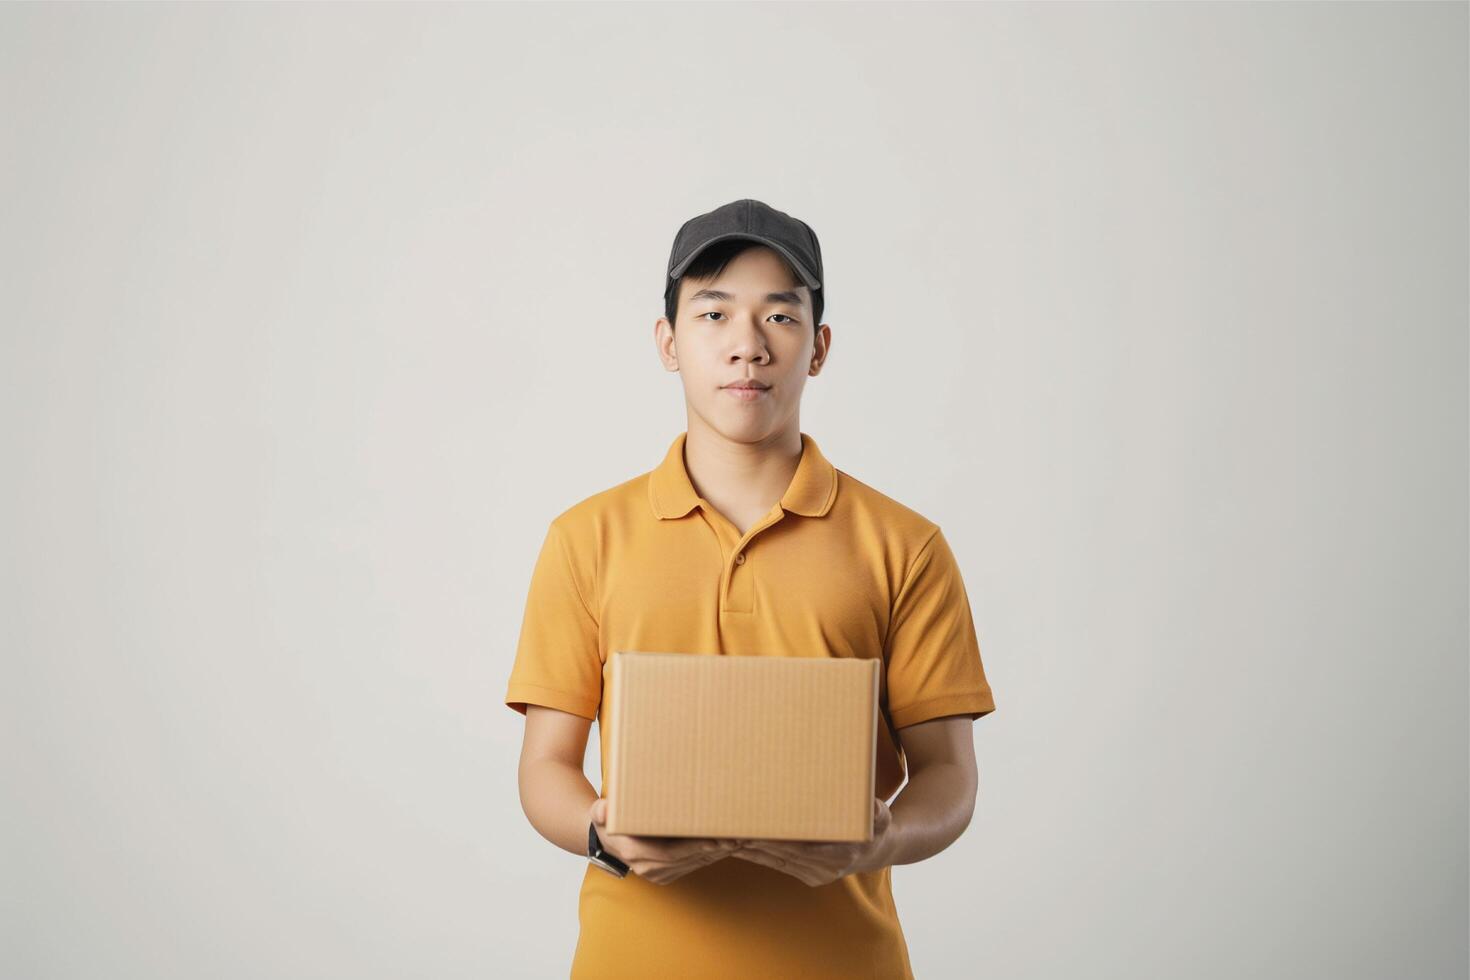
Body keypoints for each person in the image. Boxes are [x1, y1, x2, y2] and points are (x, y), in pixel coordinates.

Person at [505, 198, 997, 978]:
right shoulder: (586, 539)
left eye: (779, 317)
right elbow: (545, 767)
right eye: (713, 314)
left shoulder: (904, 545)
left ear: (819, 346)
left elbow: (948, 774)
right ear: (668, 342)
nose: (747, 347)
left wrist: (885, 839)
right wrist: (604, 834)